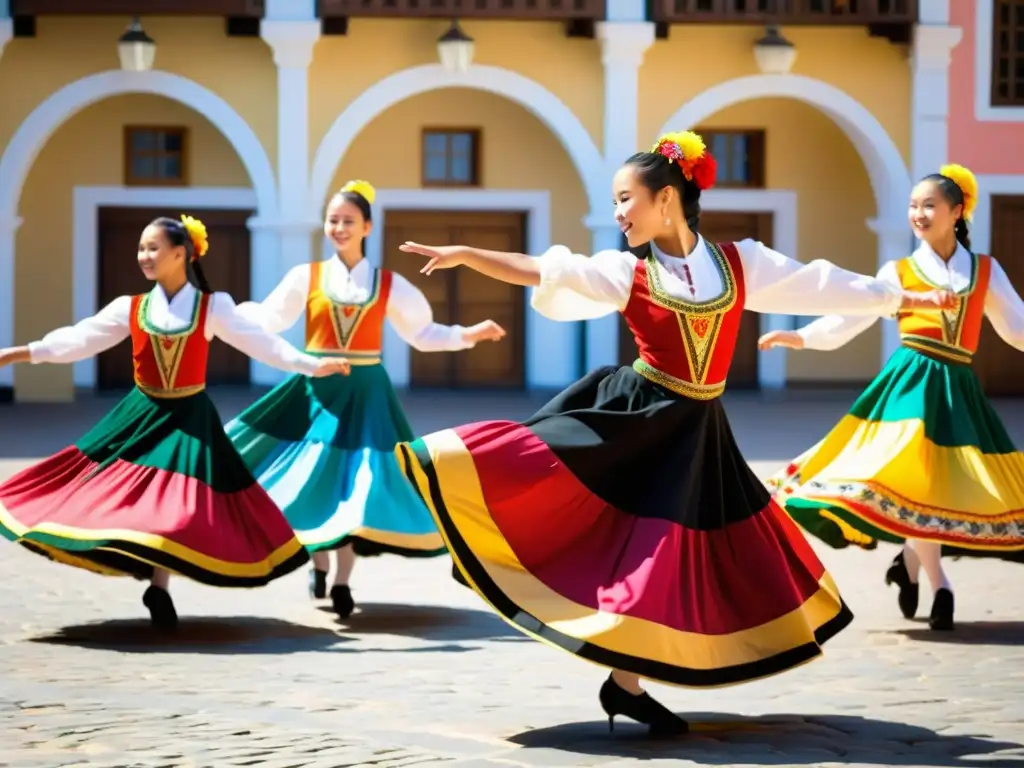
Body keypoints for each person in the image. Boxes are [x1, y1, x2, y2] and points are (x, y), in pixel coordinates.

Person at [392, 132, 957, 735]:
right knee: (596, 517)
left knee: (679, 555)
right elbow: (545, 270)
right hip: (638, 419)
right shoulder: (625, 271)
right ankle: (609, 664)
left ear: (666, 198)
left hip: (699, 432)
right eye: (614, 202)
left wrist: (903, 295)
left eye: (624, 199)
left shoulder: (741, 263)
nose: (616, 214)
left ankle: (625, 684)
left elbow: (822, 284)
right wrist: (466, 253)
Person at [0, 215, 352, 630]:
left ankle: (158, 586)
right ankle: (158, 583)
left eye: (153, 248)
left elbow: (263, 345)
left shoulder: (212, 307)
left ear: (180, 254)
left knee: (176, 507)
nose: (144, 256)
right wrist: (20, 353)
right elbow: (80, 339)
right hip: (140, 416)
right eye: (141, 249)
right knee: (121, 495)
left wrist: (312, 365)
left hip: (189, 421)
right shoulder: (130, 307)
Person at [760, 164, 1024, 632]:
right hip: (908, 386)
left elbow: (1017, 328)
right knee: (912, 479)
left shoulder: (985, 270)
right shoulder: (897, 272)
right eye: (912, 206)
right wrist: (800, 338)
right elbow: (851, 315)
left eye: (929, 206)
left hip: (958, 388)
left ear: (956, 211)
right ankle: (940, 584)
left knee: (938, 489)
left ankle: (908, 565)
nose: (918, 214)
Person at [225, 180, 506, 618]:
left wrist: (468, 334)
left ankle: (341, 580)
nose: (339, 227)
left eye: (348, 221)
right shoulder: (307, 277)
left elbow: (422, 333)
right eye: (333, 220)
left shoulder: (387, 284)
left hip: (366, 394)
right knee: (313, 476)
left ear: (367, 227)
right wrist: (227, 314)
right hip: (316, 390)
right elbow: (270, 317)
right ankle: (320, 563)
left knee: (359, 483)